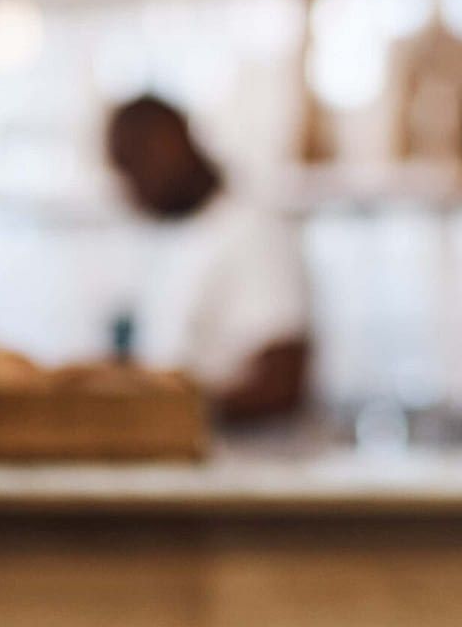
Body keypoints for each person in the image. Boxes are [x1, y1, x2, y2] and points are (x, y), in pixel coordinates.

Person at [104, 93, 312, 423]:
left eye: (134, 167)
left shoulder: (253, 230)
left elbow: (282, 380)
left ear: (171, 145)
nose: (130, 191)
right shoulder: (171, 240)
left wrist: (172, 412)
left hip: (244, 465)